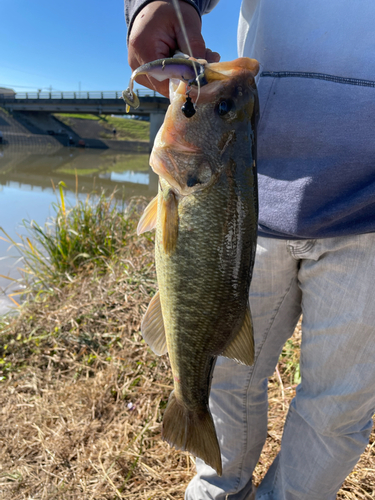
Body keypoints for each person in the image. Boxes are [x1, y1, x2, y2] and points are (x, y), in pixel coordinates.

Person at [125, 1, 375, 498]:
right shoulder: (189, 176)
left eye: (219, 108)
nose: (221, 96)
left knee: (338, 408)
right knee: (225, 379)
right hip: (256, 203)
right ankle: (215, 483)